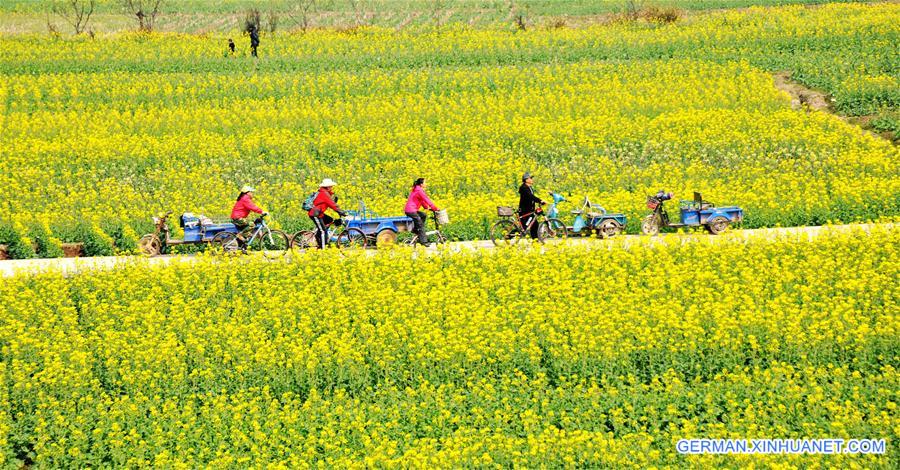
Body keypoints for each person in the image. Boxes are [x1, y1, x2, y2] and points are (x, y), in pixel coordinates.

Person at [308, 178, 347, 249]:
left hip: (320, 213)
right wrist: (341, 212)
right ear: (327, 187)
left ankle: (318, 236)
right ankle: (323, 248)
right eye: (331, 186)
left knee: (329, 220)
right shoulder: (324, 193)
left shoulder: (325, 193)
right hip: (315, 214)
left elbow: (330, 203)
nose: (332, 188)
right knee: (323, 231)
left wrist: (338, 210)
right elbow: (332, 204)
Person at [404, 177, 439, 246]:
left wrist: (427, 207)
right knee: (420, 224)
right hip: (411, 210)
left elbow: (422, 200)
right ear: (421, 184)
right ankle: (424, 241)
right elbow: (427, 199)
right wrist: (435, 208)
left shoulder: (417, 189)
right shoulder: (419, 191)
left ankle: (416, 230)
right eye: (425, 182)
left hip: (409, 210)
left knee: (423, 215)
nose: (426, 184)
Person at [518, 172, 545, 239]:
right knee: (525, 227)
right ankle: (508, 236)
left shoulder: (529, 187)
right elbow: (530, 196)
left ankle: (535, 241)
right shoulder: (524, 188)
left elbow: (532, 197)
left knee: (534, 225)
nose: (532, 179)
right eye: (530, 178)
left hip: (530, 210)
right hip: (525, 210)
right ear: (526, 180)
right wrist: (540, 200)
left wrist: (539, 201)